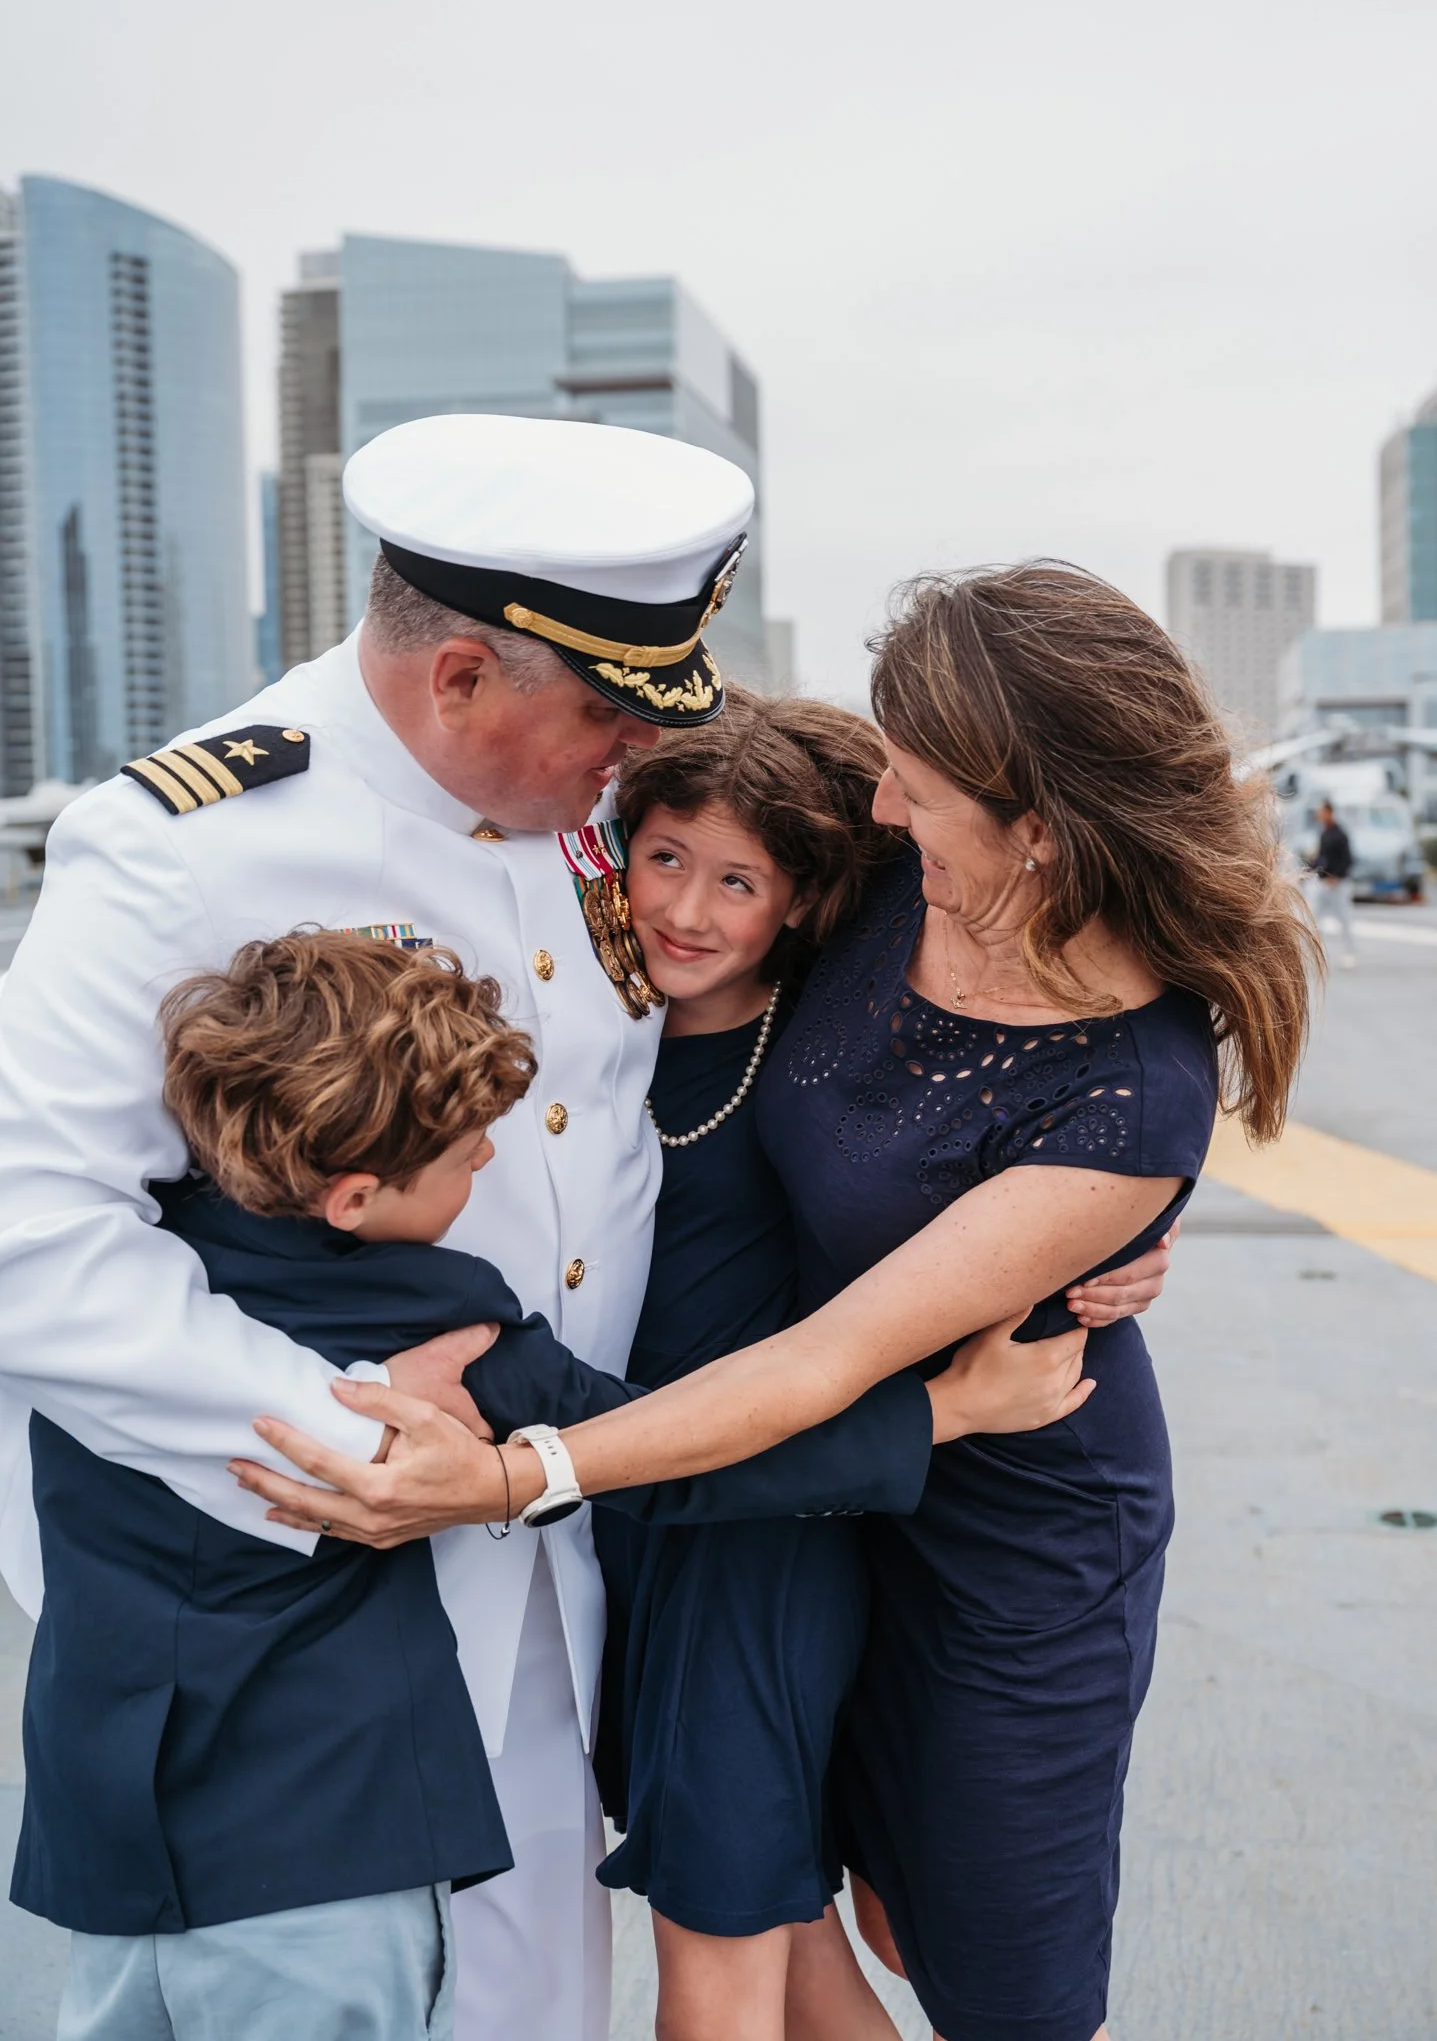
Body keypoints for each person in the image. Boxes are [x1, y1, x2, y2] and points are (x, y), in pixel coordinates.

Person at [239, 564, 1316, 2041]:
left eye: (920, 790)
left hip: (1002, 1519)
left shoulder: (1132, 1090)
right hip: (777, 1480)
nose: (883, 808)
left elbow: (824, 1361)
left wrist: (506, 1478)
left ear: (1040, 839)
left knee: (979, 1962)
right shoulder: (885, 870)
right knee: (800, 1887)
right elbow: (647, 741)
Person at [0, 412, 756, 2041]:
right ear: (461, 679)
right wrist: (340, 1447)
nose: (632, 753)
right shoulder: (188, 842)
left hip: (552, 1564)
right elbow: (32, 1228)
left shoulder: (580, 812)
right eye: (608, 711)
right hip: (296, 1594)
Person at [463, 692, 1170, 2041]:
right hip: (650, 1524)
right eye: (664, 858)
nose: (689, 908)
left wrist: (1141, 1214)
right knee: (791, 1931)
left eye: (739, 880)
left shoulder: (815, 1054)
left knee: (721, 1941)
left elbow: (1016, 1129)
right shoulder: (583, 1031)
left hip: (757, 1534)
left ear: (796, 902)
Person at [17, 932, 539, 2039]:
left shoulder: (102, 1278)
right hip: (330, 1849)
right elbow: (674, 1443)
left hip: (114, 1849)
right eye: (465, 1154)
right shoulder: (439, 1319)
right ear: (352, 1199)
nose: (486, 1165)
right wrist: (937, 1414)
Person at [1307, 798, 1357, 968]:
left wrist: (1336, 876)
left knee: (1344, 918)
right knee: (1315, 917)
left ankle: (1349, 952)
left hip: (1338, 884)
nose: (1319, 815)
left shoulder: (1340, 835)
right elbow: (1321, 859)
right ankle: (1315, 954)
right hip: (1323, 883)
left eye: (1322, 811)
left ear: (1329, 812)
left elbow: (1348, 859)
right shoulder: (1324, 834)